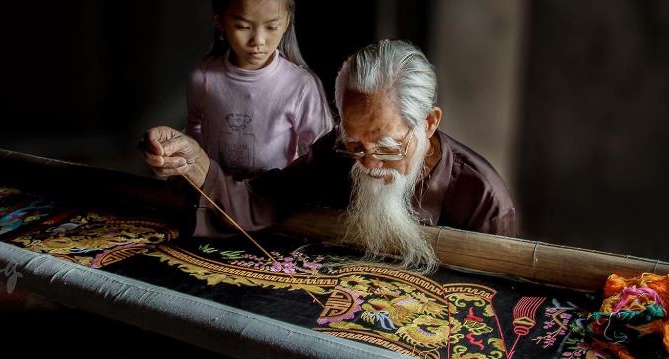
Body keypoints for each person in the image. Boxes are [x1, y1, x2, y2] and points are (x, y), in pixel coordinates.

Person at [142, 40, 517, 274]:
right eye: (354, 145)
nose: (368, 164)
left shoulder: (482, 198)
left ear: (429, 123)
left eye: (386, 147)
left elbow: (492, 308)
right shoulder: (338, 153)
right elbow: (261, 200)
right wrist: (197, 164)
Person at [184, 0, 333, 180]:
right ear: (219, 21)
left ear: (286, 22)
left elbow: (323, 150)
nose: (258, 42)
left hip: (275, 199)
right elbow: (194, 130)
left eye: (271, 27)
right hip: (217, 194)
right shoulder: (204, 78)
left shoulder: (300, 86)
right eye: (244, 26)